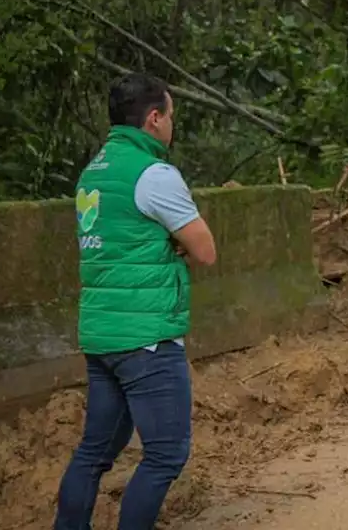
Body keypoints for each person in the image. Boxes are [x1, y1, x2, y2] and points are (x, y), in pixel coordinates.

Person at [55, 73, 217, 529]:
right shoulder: (155, 174)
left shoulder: (95, 170)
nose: (171, 126)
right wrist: (175, 241)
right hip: (146, 338)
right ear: (153, 118)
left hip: (102, 336)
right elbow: (205, 250)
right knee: (166, 454)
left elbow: (122, 241)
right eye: (170, 116)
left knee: (94, 452)